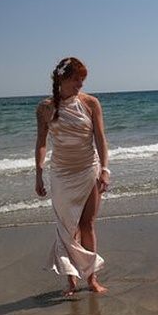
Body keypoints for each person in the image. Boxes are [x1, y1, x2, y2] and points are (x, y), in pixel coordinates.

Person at [35, 57, 110, 296]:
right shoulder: (45, 108)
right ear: (62, 80)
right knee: (68, 228)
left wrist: (105, 170)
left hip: (89, 168)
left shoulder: (91, 103)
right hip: (61, 174)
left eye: (82, 80)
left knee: (87, 224)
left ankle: (92, 278)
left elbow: (100, 138)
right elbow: (41, 143)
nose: (80, 84)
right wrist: (38, 172)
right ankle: (70, 281)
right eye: (76, 79)